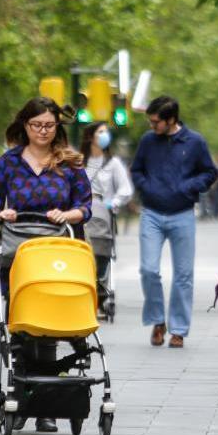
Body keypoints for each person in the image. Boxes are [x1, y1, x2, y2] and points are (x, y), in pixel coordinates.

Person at [0, 96, 92, 433]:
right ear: (25, 126)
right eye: (36, 125)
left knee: (48, 321)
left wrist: (68, 213)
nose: (43, 131)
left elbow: (85, 206)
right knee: (21, 321)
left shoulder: (70, 163)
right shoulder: (9, 162)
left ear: (57, 127)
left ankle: (46, 403)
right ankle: (20, 393)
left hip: (55, 248)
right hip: (17, 248)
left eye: (49, 125)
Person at [130, 95, 218, 348]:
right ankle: (158, 321)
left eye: (156, 122)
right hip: (152, 214)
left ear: (171, 120)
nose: (152, 126)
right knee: (148, 269)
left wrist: (188, 188)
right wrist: (147, 188)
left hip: (182, 214)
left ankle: (178, 329)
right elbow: (137, 170)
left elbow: (210, 172)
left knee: (183, 275)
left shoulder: (195, 142)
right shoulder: (148, 142)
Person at [81, 122, 133, 313]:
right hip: (81, 214)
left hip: (104, 214)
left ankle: (100, 291)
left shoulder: (113, 163)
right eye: (100, 132)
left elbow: (126, 189)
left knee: (101, 252)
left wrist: (115, 202)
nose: (104, 135)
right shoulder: (79, 162)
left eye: (106, 132)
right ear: (90, 137)